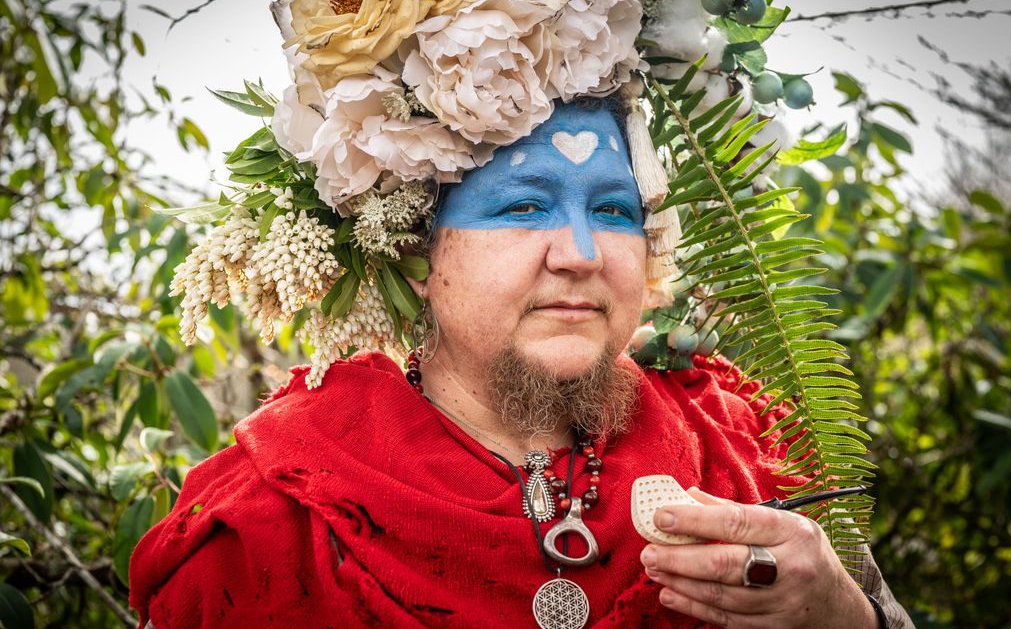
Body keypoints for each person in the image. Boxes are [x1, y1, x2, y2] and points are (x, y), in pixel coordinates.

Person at [128, 98, 913, 628]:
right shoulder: (273, 518)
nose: (579, 254)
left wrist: (851, 614)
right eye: (523, 205)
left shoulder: (744, 446)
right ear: (416, 260)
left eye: (613, 211)